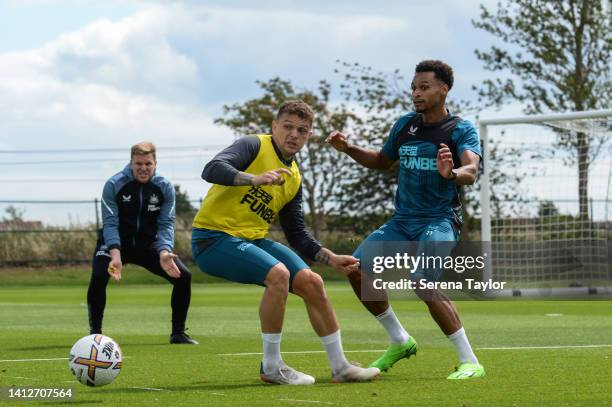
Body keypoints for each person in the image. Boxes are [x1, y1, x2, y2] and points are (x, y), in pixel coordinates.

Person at [191, 100, 380, 385]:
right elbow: (212, 168)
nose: (294, 134)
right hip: (212, 239)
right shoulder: (253, 145)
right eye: (288, 127)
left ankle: (340, 366)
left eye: (302, 130)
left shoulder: (294, 178)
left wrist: (330, 257)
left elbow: (297, 234)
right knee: (278, 274)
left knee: (312, 282)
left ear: (309, 135)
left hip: (252, 240)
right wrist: (253, 179)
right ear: (274, 127)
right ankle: (271, 366)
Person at [326, 60, 485, 379]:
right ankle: (400, 340)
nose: (416, 93)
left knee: (422, 281)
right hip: (402, 220)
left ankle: (470, 361)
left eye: (424, 87)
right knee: (355, 269)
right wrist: (348, 149)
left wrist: (451, 172)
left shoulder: (460, 129)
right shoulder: (405, 126)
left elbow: (472, 169)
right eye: (414, 87)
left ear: (444, 89)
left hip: (439, 220)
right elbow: (382, 161)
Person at [87, 141, 198, 345]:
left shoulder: (164, 187)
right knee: (100, 275)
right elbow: (110, 223)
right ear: (131, 163)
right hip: (115, 244)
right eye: (138, 163)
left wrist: (164, 252)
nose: (143, 168)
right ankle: (95, 334)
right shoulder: (114, 185)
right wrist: (116, 255)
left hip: (148, 246)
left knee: (184, 277)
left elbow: (166, 223)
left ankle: (178, 333)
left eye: (148, 163)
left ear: (155, 163)